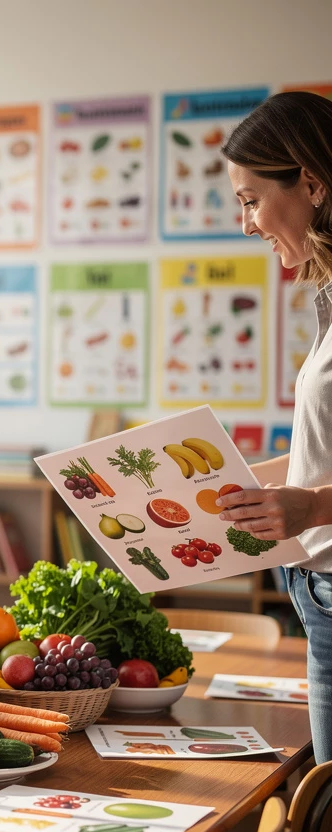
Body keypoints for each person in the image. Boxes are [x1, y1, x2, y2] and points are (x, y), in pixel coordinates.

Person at [216, 91, 332, 761]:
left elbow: (316, 490)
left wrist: (311, 506)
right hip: (313, 591)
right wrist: (217, 487)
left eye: (251, 200)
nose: (246, 224)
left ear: (311, 184)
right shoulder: (326, 301)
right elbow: (319, 460)